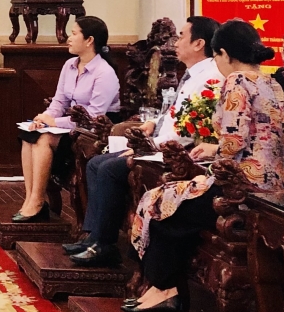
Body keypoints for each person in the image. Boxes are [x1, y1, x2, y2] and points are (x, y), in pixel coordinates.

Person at [124, 19, 284, 312]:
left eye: (217, 57)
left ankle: (165, 290)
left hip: (240, 187)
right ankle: (162, 288)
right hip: (275, 187)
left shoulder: (236, 82)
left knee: (160, 202)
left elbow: (233, 143)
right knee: (175, 200)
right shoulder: (271, 83)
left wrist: (212, 160)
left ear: (224, 53)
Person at [67, 16, 221, 266]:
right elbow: (176, 112)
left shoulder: (210, 78)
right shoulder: (193, 74)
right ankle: (93, 237)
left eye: (182, 36)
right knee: (96, 163)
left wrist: (150, 147)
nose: (176, 42)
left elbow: (187, 129)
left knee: (109, 168)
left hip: (177, 153)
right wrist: (155, 122)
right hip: (159, 143)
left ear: (198, 43)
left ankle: (105, 245)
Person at [16, 16, 121, 223]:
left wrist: (56, 123)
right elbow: (60, 100)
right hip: (72, 123)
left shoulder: (104, 73)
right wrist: (45, 118)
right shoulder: (69, 65)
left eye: (74, 34)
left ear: (89, 40)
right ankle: (29, 199)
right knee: (30, 134)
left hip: (97, 129)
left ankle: (37, 202)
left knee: (44, 138)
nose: (69, 39)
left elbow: (95, 116)